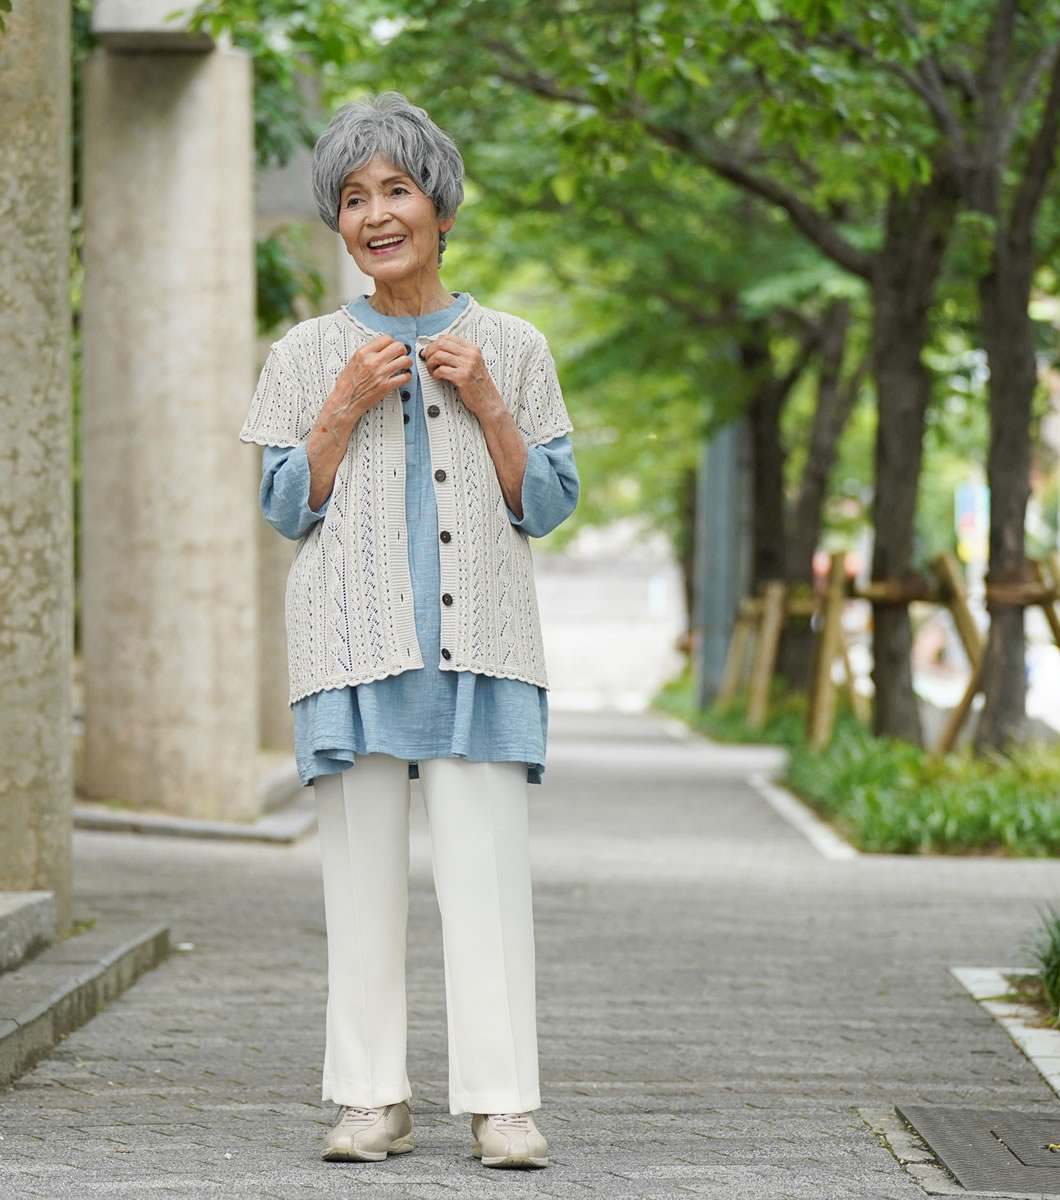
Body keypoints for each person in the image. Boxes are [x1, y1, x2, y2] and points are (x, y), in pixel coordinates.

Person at [239, 92, 578, 1170]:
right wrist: (338, 408)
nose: (376, 214)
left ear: (437, 202)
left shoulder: (513, 346)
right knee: (361, 884)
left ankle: (504, 1103)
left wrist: (491, 407)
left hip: (481, 651)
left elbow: (550, 503)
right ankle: (367, 1099)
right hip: (350, 649)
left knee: (487, 884)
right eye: (352, 197)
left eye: (394, 189)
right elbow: (286, 508)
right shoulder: (304, 353)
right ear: (339, 222)